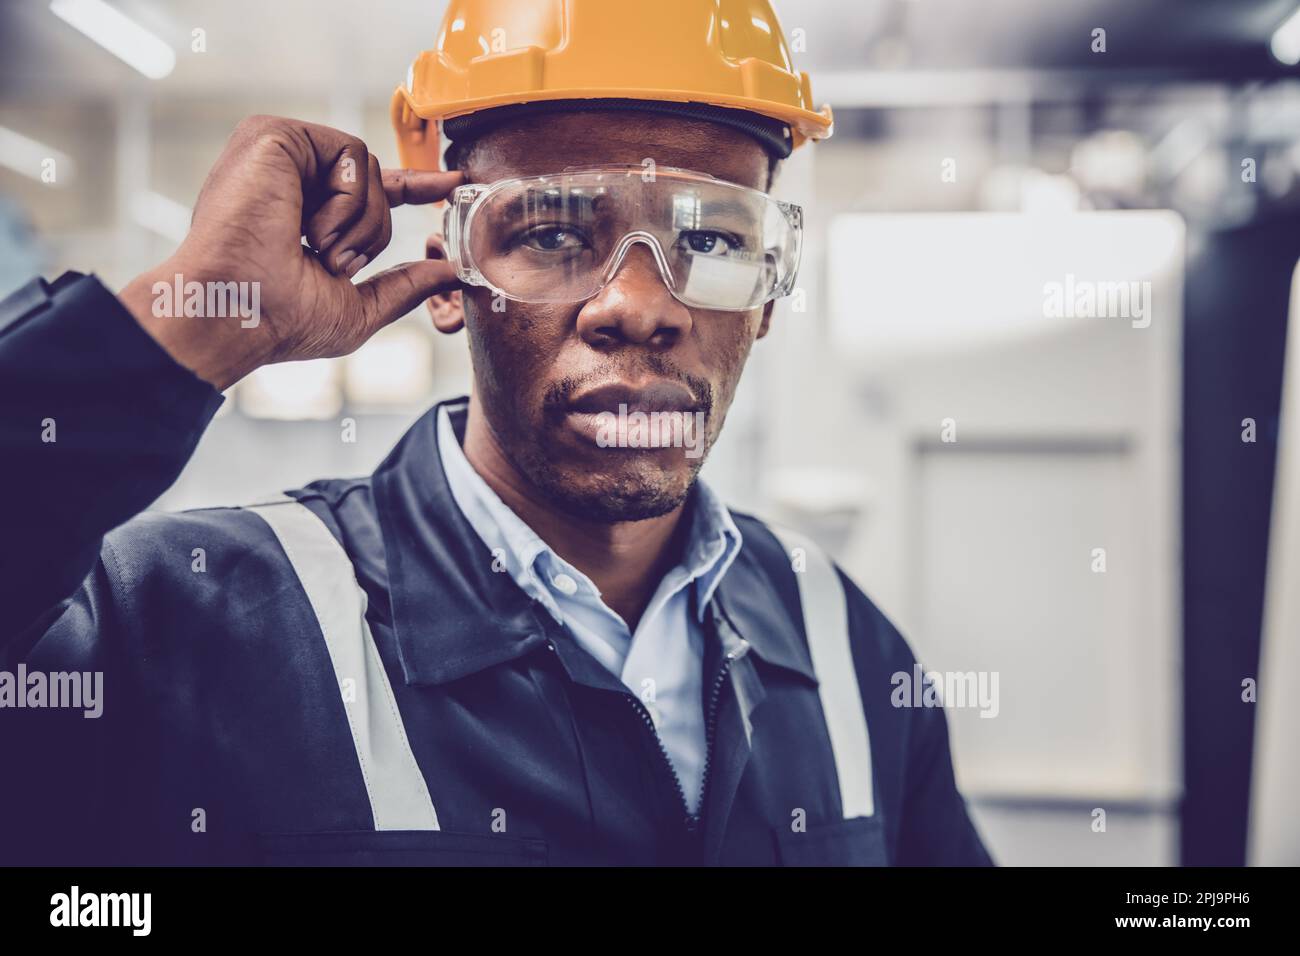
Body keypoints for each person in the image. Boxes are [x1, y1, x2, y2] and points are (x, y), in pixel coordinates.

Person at [0, 0, 992, 866]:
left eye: (714, 237)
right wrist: (184, 324)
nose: (639, 305)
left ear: (767, 297)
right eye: (554, 231)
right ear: (448, 274)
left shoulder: (844, 650)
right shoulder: (183, 625)